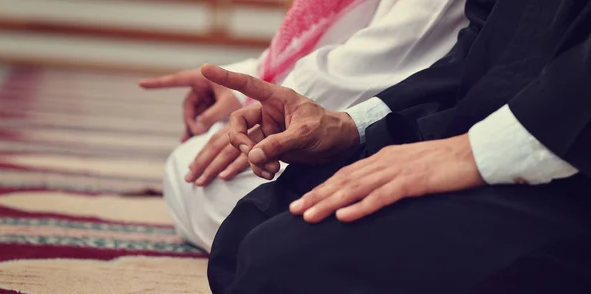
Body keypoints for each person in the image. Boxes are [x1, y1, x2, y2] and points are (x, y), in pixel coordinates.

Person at [172, 0, 591, 294]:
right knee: (247, 232)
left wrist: (474, 153)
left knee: (282, 266)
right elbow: (483, 51)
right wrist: (349, 124)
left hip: (570, 164)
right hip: (498, 129)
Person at [140, 0, 467, 251]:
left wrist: (267, 106)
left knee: (208, 186)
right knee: (195, 174)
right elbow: (347, 35)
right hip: (352, 110)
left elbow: (385, 60)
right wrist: (247, 85)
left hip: (414, 126)